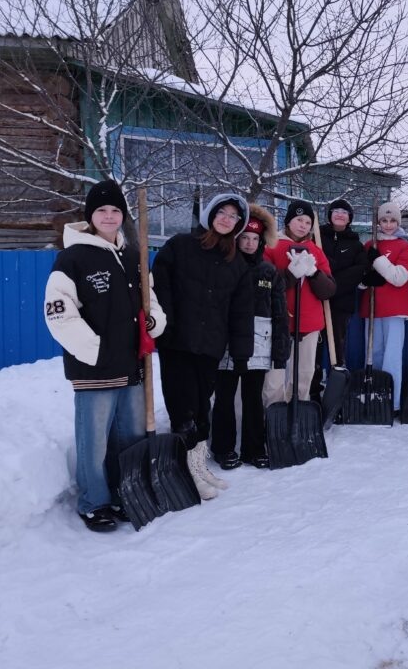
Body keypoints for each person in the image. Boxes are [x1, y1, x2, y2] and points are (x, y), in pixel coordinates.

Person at [44, 179, 167, 532]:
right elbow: (58, 312)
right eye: (102, 210)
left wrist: (155, 321)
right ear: (90, 215)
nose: (110, 216)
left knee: (129, 438)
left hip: (132, 364)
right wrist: (95, 350)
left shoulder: (134, 255)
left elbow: (151, 299)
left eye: (115, 210)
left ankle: (121, 493)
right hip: (93, 369)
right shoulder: (72, 258)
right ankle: (93, 502)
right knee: (94, 441)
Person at [152, 193, 254, 500]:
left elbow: (241, 311)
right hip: (178, 343)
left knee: (201, 409)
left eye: (233, 216)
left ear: (238, 224)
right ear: (210, 215)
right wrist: (166, 325)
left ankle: (197, 467)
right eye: (221, 212)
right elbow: (160, 284)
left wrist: (241, 353)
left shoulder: (236, 262)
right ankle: (185, 473)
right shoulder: (180, 246)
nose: (226, 219)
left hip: (210, 346)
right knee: (182, 409)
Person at [211, 204, 289, 470]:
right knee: (224, 398)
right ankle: (223, 449)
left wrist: (280, 350)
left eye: (255, 239)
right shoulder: (223, 266)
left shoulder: (269, 272)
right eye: (245, 237)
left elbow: (280, 313)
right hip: (227, 345)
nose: (249, 243)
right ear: (236, 237)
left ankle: (254, 449)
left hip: (259, 345)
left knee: (253, 399)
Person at [263, 199, 336, 408]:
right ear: (288, 221)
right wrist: (289, 274)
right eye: (298, 219)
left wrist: (314, 274)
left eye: (307, 222)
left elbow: (329, 290)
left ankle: (297, 412)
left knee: (303, 375)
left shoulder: (315, 250)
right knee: (274, 378)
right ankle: (272, 417)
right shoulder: (272, 245)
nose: (303, 225)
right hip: (277, 322)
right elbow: (263, 281)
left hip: (309, 323)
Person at [358, 201, 408, 412]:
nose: (388, 224)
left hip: (395, 309)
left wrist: (379, 262)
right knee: (373, 355)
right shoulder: (369, 245)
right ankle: (372, 399)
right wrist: (366, 279)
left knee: (391, 356)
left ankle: (393, 402)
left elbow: (399, 278)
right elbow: (360, 280)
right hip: (371, 309)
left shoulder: (404, 246)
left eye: (392, 220)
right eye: (384, 220)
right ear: (378, 222)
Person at [310, 198, 367, 400]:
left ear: (350, 218)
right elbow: (313, 264)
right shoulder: (317, 237)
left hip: (341, 303)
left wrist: (332, 284)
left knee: (337, 349)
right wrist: (325, 280)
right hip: (315, 302)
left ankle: (337, 396)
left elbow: (358, 271)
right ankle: (313, 391)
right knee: (314, 350)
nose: (340, 214)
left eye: (344, 212)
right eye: (336, 211)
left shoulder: (355, 244)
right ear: (330, 215)